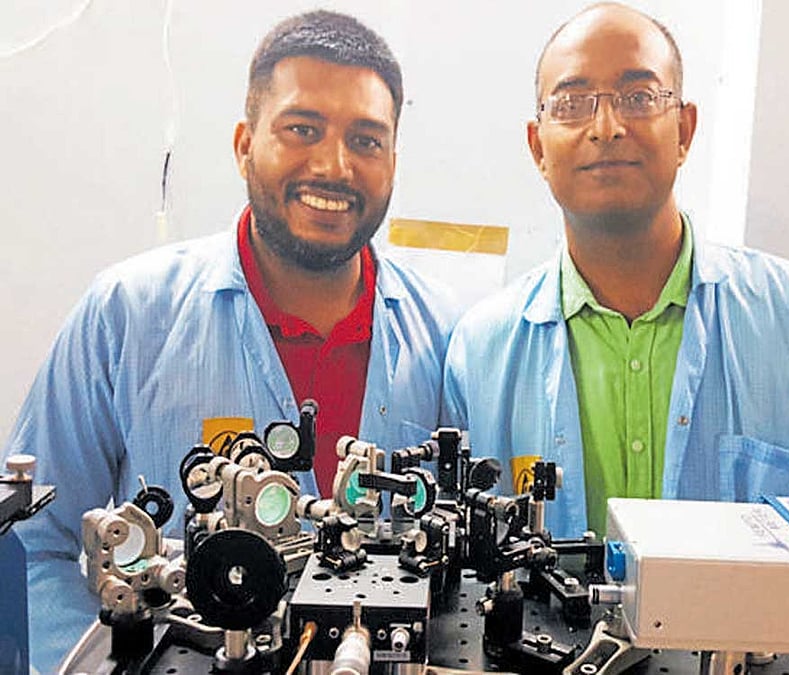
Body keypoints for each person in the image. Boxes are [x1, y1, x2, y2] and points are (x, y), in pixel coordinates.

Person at [3, 10, 459, 672]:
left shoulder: (444, 333)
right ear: (245, 143)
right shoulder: (127, 315)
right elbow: (31, 543)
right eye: (302, 130)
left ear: (393, 159)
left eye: (366, 140)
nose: (334, 166)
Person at [442, 1, 789, 658]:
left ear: (684, 128)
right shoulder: (480, 351)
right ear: (538, 147)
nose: (607, 125)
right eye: (572, 103)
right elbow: (466, 584)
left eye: (637, 95)